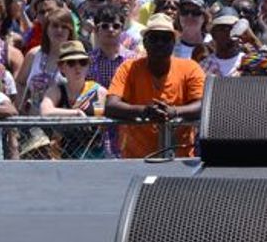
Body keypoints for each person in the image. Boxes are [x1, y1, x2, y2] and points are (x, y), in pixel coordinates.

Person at [105, 14, 205, 159]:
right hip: (136, 159)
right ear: (145, 42)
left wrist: (174, 112)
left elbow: (203, 105)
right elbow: (111, 106)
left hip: (179, 158)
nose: (160, 43)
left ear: (174, 42)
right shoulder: (128, 68)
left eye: (165, 39)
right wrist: (144, 111)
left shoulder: (190, 68)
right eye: (154, 38)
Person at [40, 41, 107, 159]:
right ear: (61, 67)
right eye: (71, 63)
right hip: (63, 157)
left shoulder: (99, 92)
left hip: (95, 157)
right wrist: (75, 113)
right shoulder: (56, 91)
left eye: (82, 62)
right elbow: (45, 111)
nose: (78, 67)